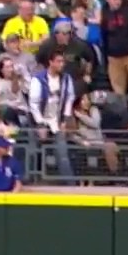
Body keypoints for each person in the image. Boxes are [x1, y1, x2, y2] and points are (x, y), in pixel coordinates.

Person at [29, 51, 77, 180]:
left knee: (62, 153)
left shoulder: (66, 79)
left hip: (57, 120)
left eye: (63, 61)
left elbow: (70, 97)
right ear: (51, 62)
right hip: (39, 120)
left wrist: (65, 119)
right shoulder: (38, 79)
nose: (62, 64)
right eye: (59, 61)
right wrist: (40, 124)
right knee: (32, 152)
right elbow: (34, 104)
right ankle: (30, 182)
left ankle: (70, 185)